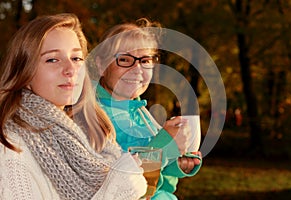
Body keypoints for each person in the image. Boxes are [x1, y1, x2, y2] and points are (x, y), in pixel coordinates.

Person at [0, 13, 147, 200]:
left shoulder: (92, 134)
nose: (70, 69)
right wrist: (120, 189)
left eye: (76, 58)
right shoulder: (11, 149)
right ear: (24, 72)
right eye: (52, 59)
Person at [92, 18, 202, 199]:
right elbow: (120, 184)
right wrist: (164, 147)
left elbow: (152, 172)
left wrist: (177, 163)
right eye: (125, 59)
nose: (137, 68)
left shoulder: (140, 111)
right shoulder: (94, 115)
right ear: (101, 65)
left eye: (145, 60)